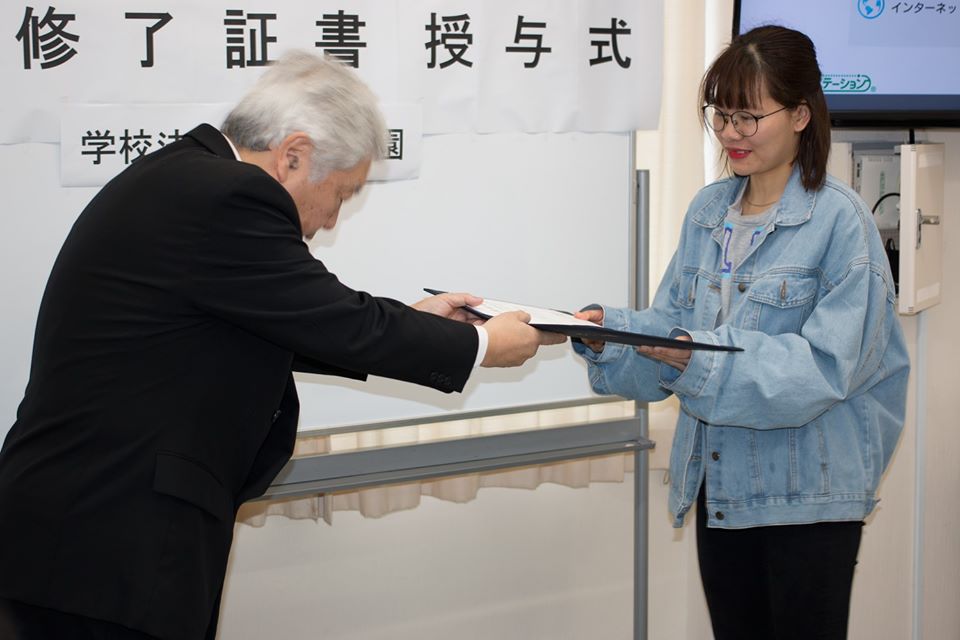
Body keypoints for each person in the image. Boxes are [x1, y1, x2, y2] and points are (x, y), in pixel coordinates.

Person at [0, 51, 563, 640]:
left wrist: (426, 324)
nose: (331, 220)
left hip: (81, 537)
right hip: (109, 548)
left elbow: (284, 317)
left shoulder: (185, 177)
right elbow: (333, 318)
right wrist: (478, 344)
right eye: (342, 193)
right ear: (293, 154)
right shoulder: (227, 194)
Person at [573, 26, 909, 640]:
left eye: (749, 116)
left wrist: (693, 358)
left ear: (801, 115)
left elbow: (823, 369)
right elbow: (672, 335)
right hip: (721, 488)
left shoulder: (841, 223)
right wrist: (609, 334)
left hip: (809, 498)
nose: (731, 132)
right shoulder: (709, 212)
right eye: (721, 115)